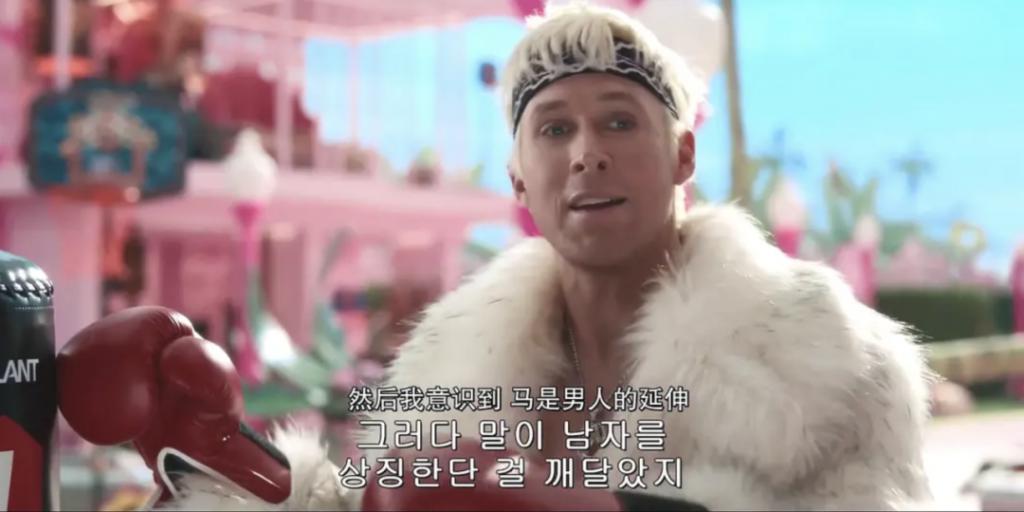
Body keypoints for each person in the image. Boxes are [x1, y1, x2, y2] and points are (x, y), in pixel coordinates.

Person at [90, 3, 934, 510]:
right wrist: (217, 462)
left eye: (619, 121)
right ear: (519, 179)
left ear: (682, 155)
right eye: (555, 130)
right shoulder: (445, 368)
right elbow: (367, 504)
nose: (586, 154)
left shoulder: (828, 361)